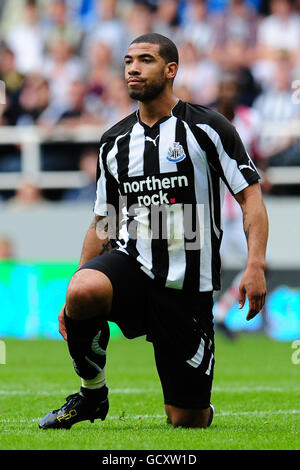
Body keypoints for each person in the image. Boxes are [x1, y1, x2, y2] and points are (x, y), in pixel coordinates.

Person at [39, 33, 268, 430]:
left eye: (145, 60)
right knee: (83, 290)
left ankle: (196, 404)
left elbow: (251, 199)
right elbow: (103, 220)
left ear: (170, 69)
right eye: (128, 60)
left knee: (187, 420)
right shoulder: (113, 142)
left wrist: (255, 265)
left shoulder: (208, 128)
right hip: (132, 262)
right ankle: (92, 395)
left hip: (187, 285)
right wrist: (76, 281)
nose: (132, 68)